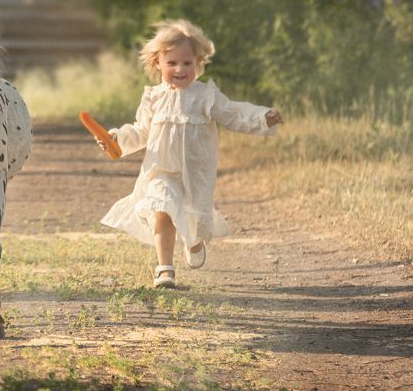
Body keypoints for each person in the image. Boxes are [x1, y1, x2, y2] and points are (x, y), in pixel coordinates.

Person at [97, 20, 283, 288]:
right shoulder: (154, 97)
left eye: (187, 63)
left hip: (195, 173)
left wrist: (262, 117)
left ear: (199, 62)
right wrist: (117, 138)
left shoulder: (205, 95)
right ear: (157, 63)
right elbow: (141, 131)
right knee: (162, 208)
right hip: (161, 169)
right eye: (172, 63)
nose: (180, 69)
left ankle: (194, 243)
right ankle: (165, 269)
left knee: (194, 219)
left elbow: (232, 114)